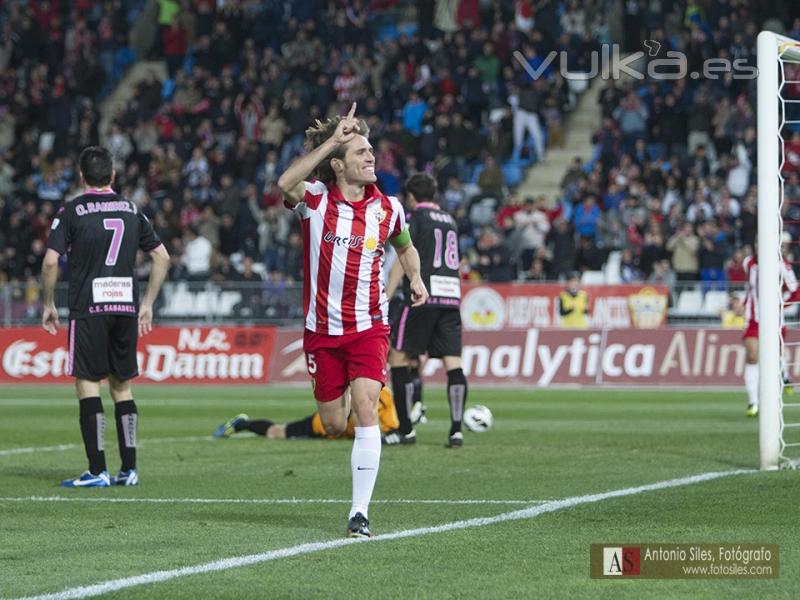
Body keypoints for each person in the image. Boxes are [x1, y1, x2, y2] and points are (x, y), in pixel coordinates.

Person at [277, 103, 428, 538]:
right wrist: (332, 140)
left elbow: (405, 247)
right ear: (339, 165)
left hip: (368, 327)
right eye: (361, 152)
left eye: (370, 151)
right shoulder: (316, 200)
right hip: (322, 332)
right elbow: (284, 182)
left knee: (366, 408)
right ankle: (338, 408)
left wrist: (415, 278)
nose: (371, 158)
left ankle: (359, 513)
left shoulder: (390, 209)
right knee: (334, 423)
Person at [41, 146, 170, 487]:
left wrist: (48, 304)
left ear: (82, 177)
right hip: (126, 307)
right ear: (112, 176)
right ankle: (129, 470)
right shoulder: (131, 208)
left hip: (89, 308)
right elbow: (162, 257)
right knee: (122, 387)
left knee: (87, 384)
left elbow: (51, 260)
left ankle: (97, 470)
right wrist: (148, 303)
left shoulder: (72, 210)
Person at [386, 173, 468, 448]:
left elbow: (403, 255)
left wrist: (387, 292)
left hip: (423, 296)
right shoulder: (450, 220)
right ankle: (456, 430)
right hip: (451, 295)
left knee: (398, 356)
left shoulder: (414, 219)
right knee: (452, 362)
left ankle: (405, 430)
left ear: (410, 197)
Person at [742, 234, 799, 417]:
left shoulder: (782, 264)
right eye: (758, 242)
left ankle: (784, 375)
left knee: (776, 356)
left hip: (775, 319)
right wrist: (741, 303)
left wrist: (779, 304)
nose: (760, 246)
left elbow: (796, 291)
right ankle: (753, 403)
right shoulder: (748, 263)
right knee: (752, 355)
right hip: (753, 319)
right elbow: (749, 289)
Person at [212, 387, 399, 440]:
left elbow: (391, 432)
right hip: (322, 424)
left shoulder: (386, 400)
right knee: (277, 432)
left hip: (339, 432)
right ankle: (241, 424)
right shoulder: (361, 391)